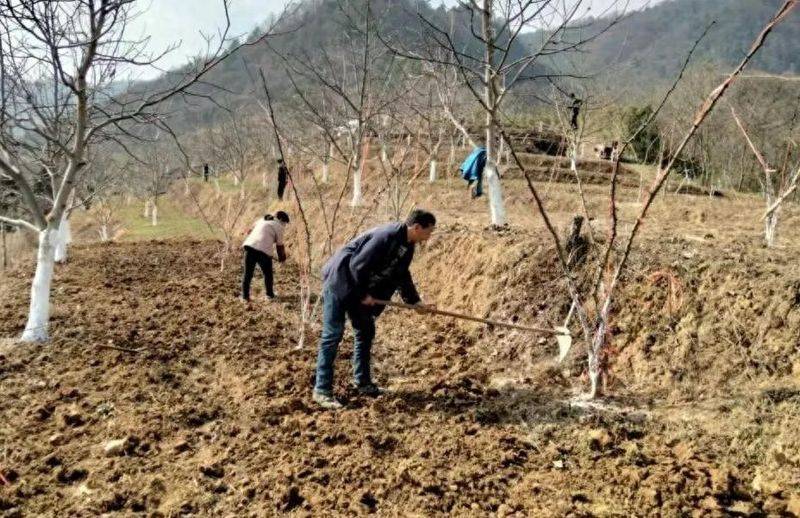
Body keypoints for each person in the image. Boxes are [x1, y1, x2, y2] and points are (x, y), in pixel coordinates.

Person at [313, 209, 437, 409]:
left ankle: (362, 383)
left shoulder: (408, 244)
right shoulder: (385, 237)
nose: (430, 236)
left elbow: (402, 275)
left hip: (359, 286)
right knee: (333, 334)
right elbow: (357, 266)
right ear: (417, 227)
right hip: (340, 281)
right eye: (429, 231)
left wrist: (415, 302)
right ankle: (321, 390)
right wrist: (363, 295)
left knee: (365, 330)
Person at [240, 211, 289, 302]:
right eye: (285, 223)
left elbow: (249, 231)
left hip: (249, 247)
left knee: (248, 274)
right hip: (263, 252)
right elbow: (280, 246)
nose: (285, 225)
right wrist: (282, 259)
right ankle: (269, 295)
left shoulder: (262, 220)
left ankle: (244, 297)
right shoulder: (279, 226)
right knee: (268, 274)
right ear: (281, 220)